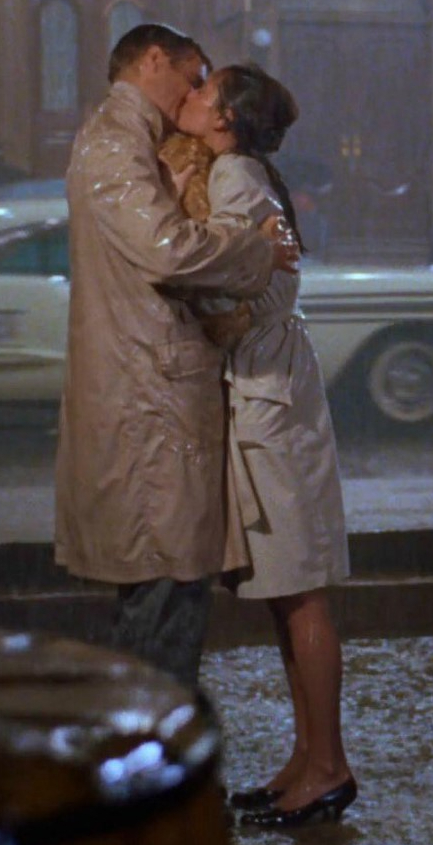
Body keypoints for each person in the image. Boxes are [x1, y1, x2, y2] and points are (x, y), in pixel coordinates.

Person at [54, 26, 297, 688]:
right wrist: (257, 250)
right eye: (193, 78)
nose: (194, 95)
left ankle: (152, 744)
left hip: (154, 399)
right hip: (149, 404)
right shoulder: (115, 142)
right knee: (163, 600)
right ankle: (152, 751)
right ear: (154, 60)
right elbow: (166, 249)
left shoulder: (130, 141)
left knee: (165, 594)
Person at [171, 63, 357, 827]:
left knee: (300, 588)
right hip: (275, 387)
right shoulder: (245, 171)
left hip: (270, 395)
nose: (190, 96)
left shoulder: (235, 175)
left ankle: (328, 766)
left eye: (203, 91)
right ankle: (306, 757)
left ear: (225, 119)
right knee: (287, 591)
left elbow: (221, 275)